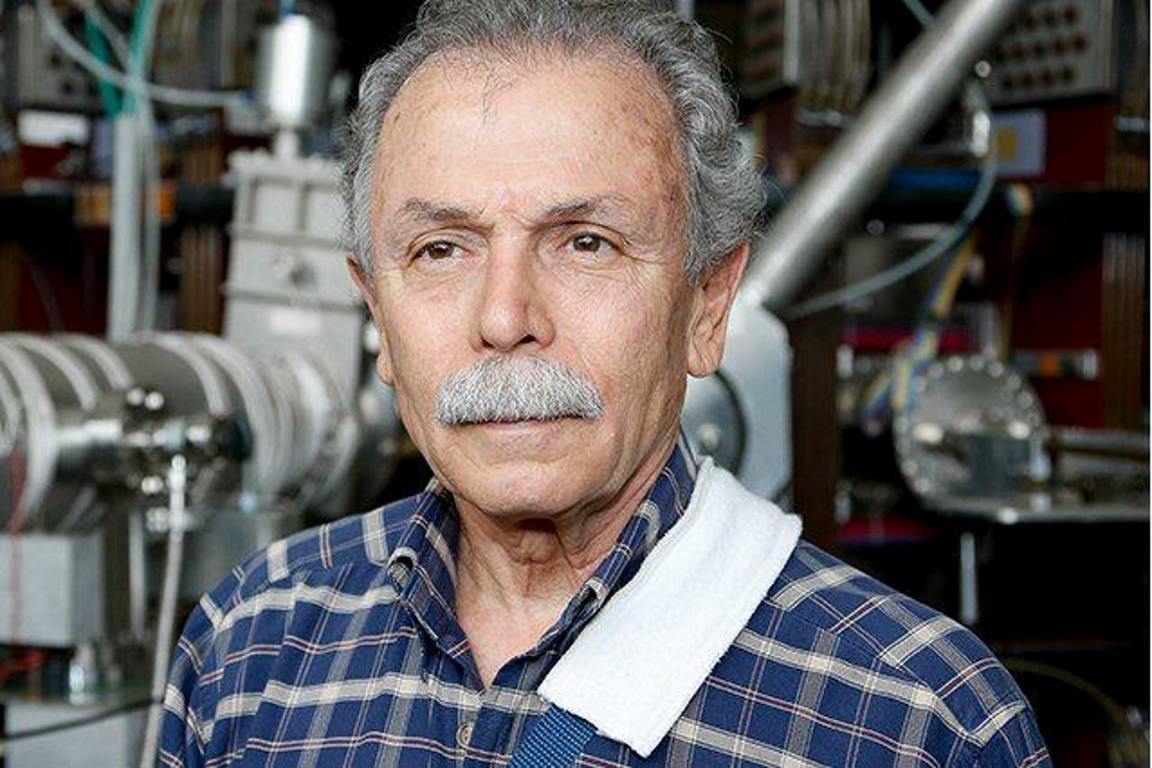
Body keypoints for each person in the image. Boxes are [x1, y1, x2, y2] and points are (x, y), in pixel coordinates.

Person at [159, 1, 1051, 765]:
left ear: (708, 304)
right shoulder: (249, 651)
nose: (505, 318)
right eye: (440, 250)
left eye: (587, 243)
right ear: (376, 313)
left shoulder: (916, 721)